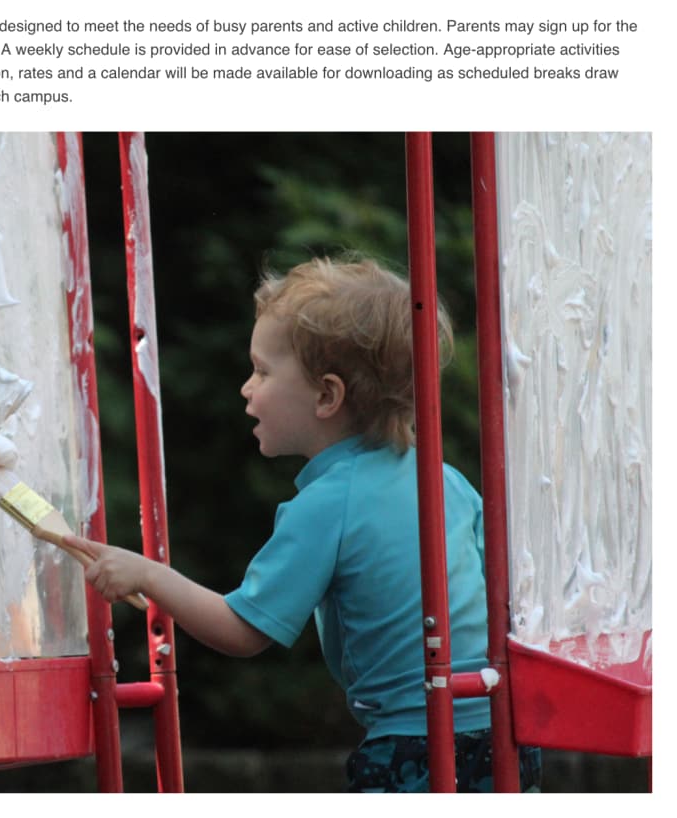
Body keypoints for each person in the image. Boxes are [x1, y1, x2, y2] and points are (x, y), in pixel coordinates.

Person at [65, 256, 542, 792]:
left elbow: (243, 629)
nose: (247, 387)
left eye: (262, 371)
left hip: (415, 752)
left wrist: (148, 574)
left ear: (327, 396)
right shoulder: (445, 480)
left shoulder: (326, 505)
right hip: (504, 742)